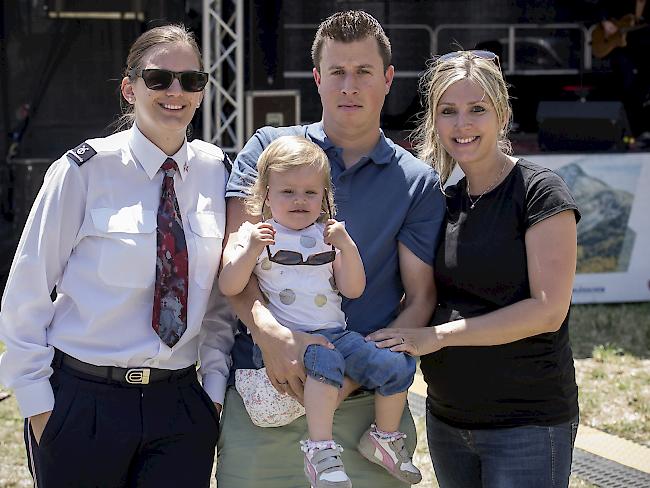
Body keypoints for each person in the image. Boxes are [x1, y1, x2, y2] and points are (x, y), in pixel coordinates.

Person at [217, 10, 445, 488]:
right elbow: (235, 266)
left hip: (367, 414)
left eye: (363, 72)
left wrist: (348, 376)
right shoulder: (267, 149)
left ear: (387, 80)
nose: (349, 86)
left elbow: (420, 299)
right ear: (317, 79)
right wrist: (271, 335)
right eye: (337, 72)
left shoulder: (417, 182)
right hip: (269, 396)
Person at [0, 24, 235, 487]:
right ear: (129, 89)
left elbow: (219, 305)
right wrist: (39, 406)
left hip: (181, 407)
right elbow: (26, 291)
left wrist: (211, 394)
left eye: (191, 80)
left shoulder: (218, 172)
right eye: (158, 79)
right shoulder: (83, 171)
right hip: (82, 404)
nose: (176, 91)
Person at [368, 49, 581, 488]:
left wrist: (436, 337)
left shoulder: (540, 192)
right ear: (435, 123)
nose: (462, 124)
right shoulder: (441, 202)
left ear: (502, 116)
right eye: (448, 112)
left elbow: (547, 310)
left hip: (527, 426)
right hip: (448, 422)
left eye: (477, 109)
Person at [219, 135, 422, 487]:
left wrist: (346, 245)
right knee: (326, 364)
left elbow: (353, 288)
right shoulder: (256, 234)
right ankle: (320, 451)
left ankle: (384, 439)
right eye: (288, 191)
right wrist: (250, 249)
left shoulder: (328, 236)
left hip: (337, 336)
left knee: (397, 366)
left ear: (325, 196)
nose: (300, 200)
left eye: (311, 192)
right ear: (266, 194)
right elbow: (229, 285)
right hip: (291, 342)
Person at [594, 0, 650, 137]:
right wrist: (605, 22)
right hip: (622, 50)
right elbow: (600, 6)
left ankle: (645, 130)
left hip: (645, 48)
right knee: (628, 87)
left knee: (644, 90)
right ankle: (631, 132)